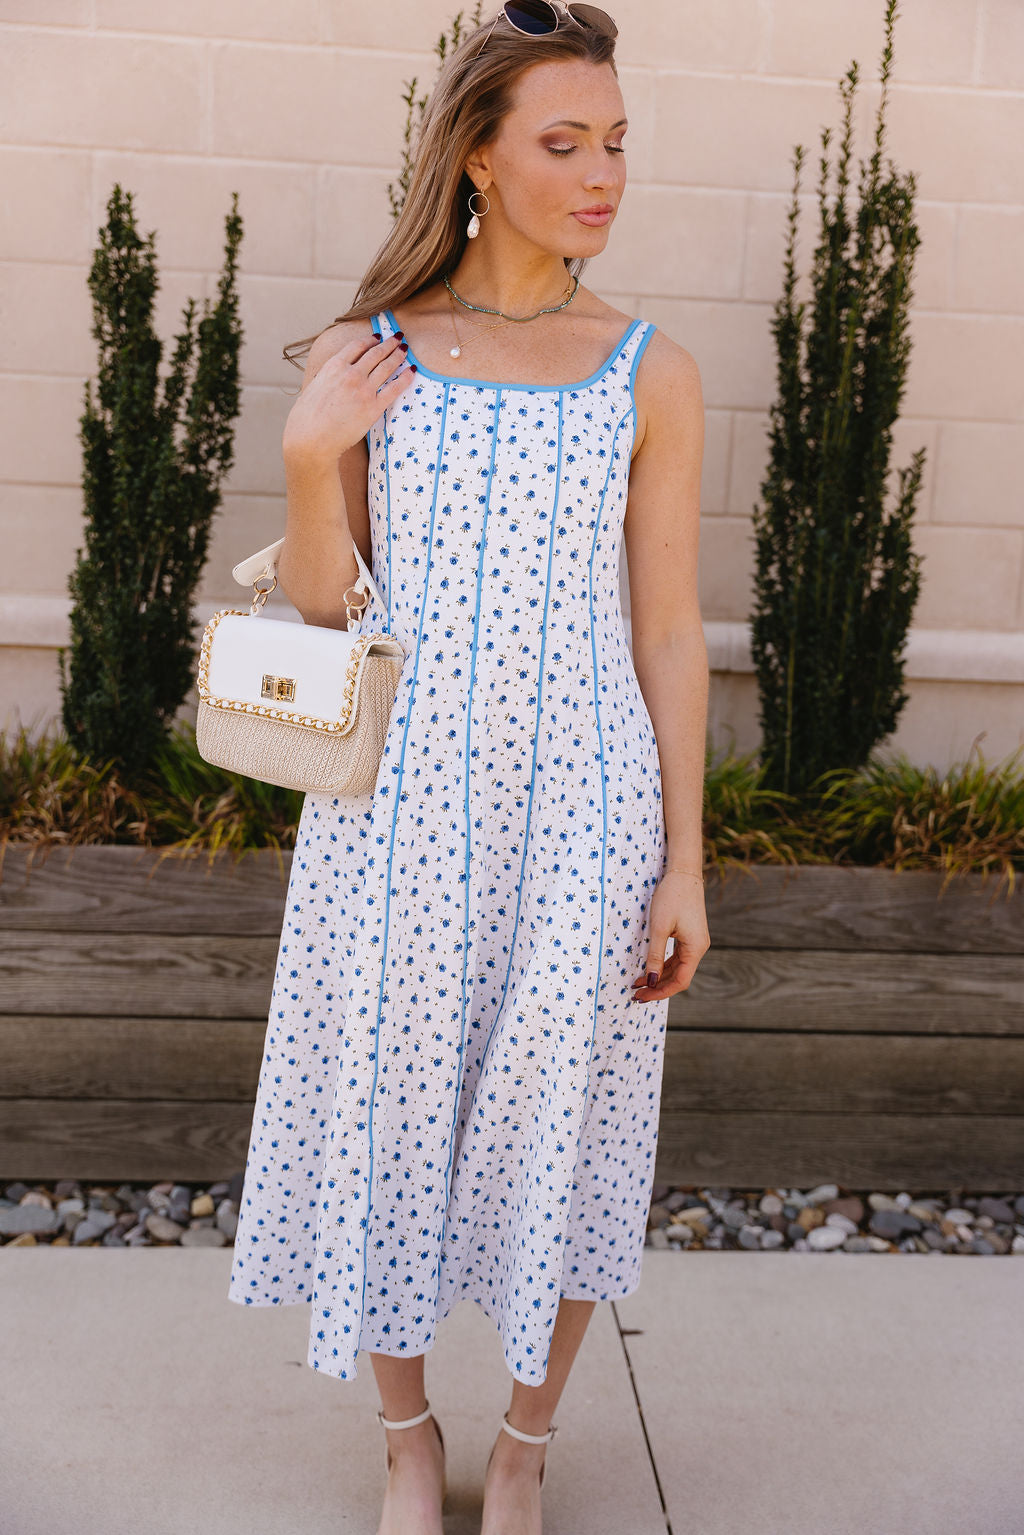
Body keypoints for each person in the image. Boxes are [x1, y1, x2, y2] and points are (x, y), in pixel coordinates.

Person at [227, 3, 710, 1531]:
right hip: (403, 805)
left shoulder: (650, 370)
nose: (603, 174)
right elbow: (325, 607)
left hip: (590, 803)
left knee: (572, 1104)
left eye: (617, 141)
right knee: (389, 1103)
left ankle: (526, 1448)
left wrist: (686, 859)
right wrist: (311, 458)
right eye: (565, 143)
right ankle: (409, 1437)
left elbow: (675, 634)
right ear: (478, 160)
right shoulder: (366, 357)